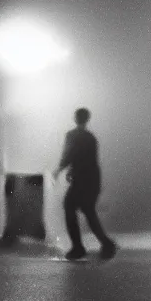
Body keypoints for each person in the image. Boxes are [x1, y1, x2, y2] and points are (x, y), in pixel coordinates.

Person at [52, 108, 117, 260]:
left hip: (81, 179)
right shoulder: (91, 137)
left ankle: (78, 247)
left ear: (75, 118)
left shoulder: (71, 135)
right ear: (87, 119)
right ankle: (105, 244)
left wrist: (60, 169)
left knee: (69, 207)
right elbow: (89, 160)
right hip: (92, 179)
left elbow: (69, 154)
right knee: (88, 211)